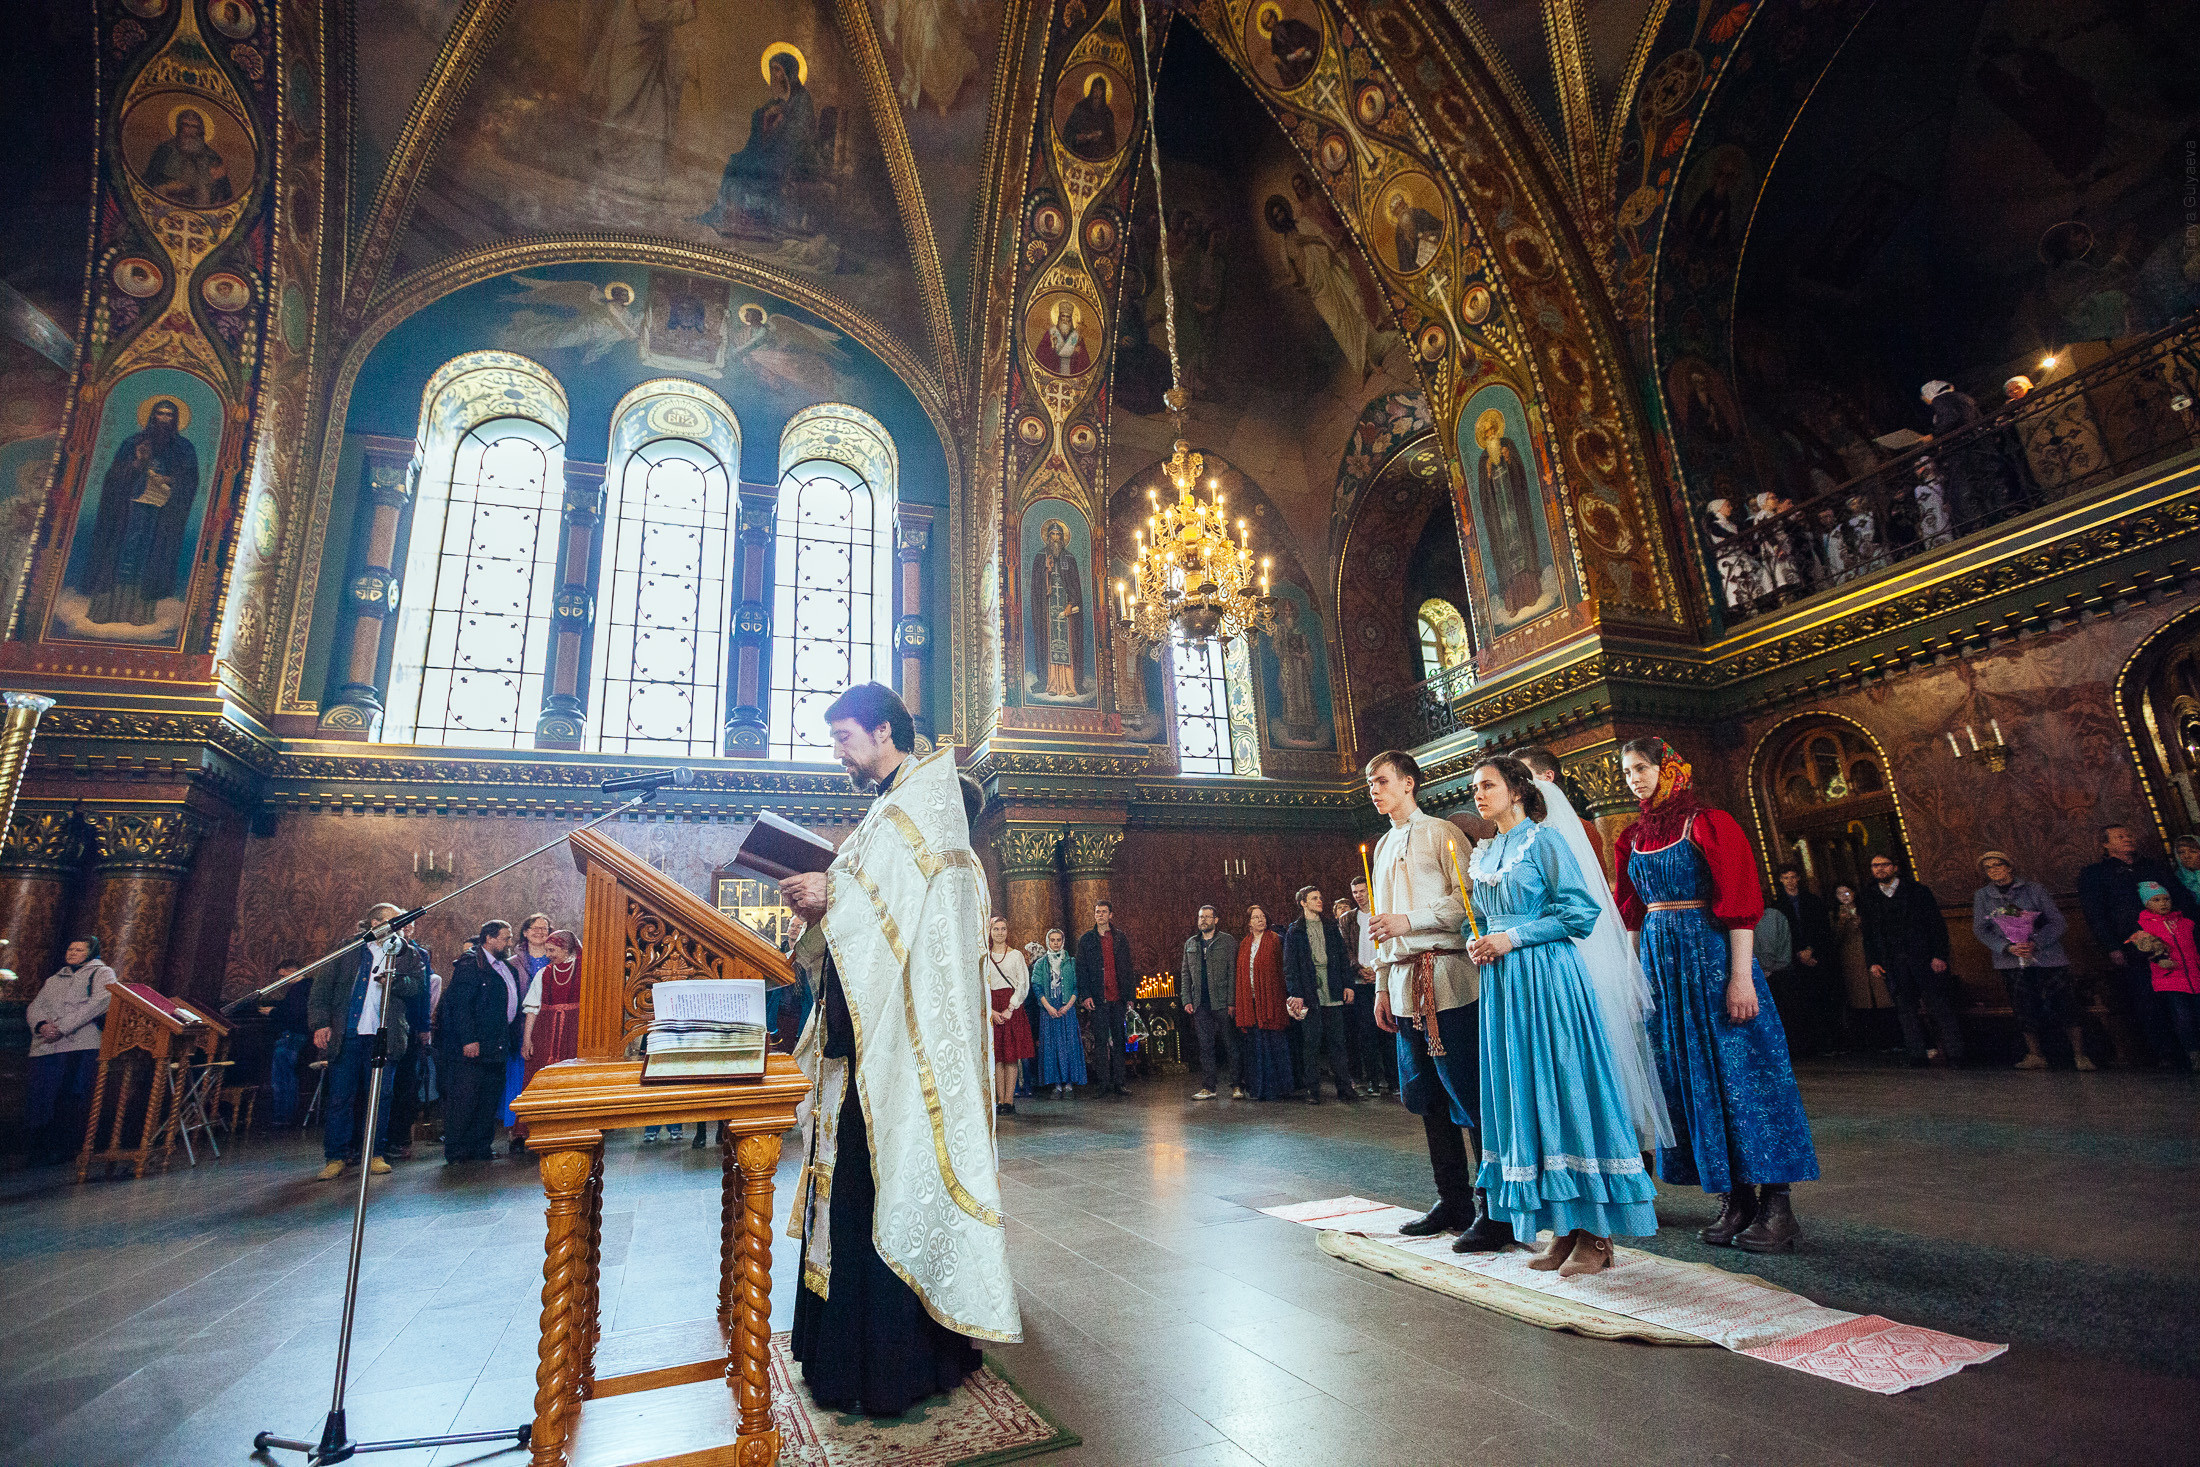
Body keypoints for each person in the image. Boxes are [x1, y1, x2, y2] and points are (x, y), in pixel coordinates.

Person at [780, 683, 1016, 1414]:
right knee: (852, 1187)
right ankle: (845, 1346)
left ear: (885, 731)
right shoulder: (889, 807)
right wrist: (827, 897)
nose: (838, 754)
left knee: (881, 1188)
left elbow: (900, 916)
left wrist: (834, 895)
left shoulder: (926, 803)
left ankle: (890, 1360)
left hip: (906, 1055)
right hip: (864, 1040)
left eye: (845, 737)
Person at [1616, 738, 1818, 1253]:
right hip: (1663, 969)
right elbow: (1632, 915)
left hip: (1713, 960)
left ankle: (1778, 1205)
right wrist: (1633, 983)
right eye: (1627, 772)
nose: (1634, 778)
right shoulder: (1633, 837)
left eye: (1642, 768)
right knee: (1687, 1079)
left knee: (1744, 1076)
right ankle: (1735, 1198)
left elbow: (1742, 901)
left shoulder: (1709, 822)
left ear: (1669, 768)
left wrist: (1742, 977)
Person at [1465, 758, 1661, 1277]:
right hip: (1504, 985)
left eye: (1488, 786)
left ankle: (1596, 1234)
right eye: (1475, 788)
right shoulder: (1485, 852)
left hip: (1548, 979)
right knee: (1527, 1094)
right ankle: (1563, 1228)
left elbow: (1581, 913)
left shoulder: (1545, 842)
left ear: (1516, 791)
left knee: (1565, 1086)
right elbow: (1485, 915)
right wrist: (1479, 938)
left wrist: (1515, 937)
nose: (1478, 795)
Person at [1364, 749, 1510, 1252]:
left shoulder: (1442, 833)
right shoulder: (1382, 846)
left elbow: (1467, 899)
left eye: (1382, 781)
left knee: (1467, 1095)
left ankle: (1496, 1210)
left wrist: (1412, 920)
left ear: (1409, 783)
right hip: (1403, 983)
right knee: (1427, 1098)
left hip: (1447, 978)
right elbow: (1381, 923)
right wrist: (1382, 983)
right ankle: (1452, 1200)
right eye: (1370, 784)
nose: (1375, 790)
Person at [1519, 748, 1673, 1156]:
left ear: (1546, 779)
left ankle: (1625, 1154)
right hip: (1545, 953)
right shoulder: (1518, 836)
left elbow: (1586, 900)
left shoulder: (1570, 829)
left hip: (1584, 948)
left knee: (1602, 1051)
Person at [307, 904, 427, 1180]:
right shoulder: (347, 949)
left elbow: (416, 987)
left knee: (381, 1098)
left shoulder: (407, 952)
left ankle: (375, 1154)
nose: (398, 926)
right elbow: (322, 989)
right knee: (340, 1097)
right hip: (347, 1033)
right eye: (392, 921)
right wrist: (320, 1023)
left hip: (384, 1036)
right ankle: (335, 1156)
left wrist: (395, 981)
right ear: (375, 922)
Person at [2079, 824, 2199, 1068]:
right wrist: (2112, 946)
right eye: (2120, 837)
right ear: (2105, 844)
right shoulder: (2096, 874)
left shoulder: (2152, 866)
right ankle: (2167, 1054)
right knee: (2148, 999)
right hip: (2134, 945)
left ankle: (2192, 1048)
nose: (2127, 839)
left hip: (2174, 940)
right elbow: (2096, 914)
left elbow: (2181, 897)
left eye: (2129, 834)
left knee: (2184, 995)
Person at [1971, 852, 2092, 1071]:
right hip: (2011, 960)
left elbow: (2057, 922)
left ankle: (2079, 1054)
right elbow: (1981, 929)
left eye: (1998, 865)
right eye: (1988, 868)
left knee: (2065, 1003)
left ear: (2009, 867)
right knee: (2023, 1007)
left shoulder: (2034, 889)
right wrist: (2007, 947)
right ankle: (2035, 1054)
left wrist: (2035, 942)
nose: (1994, 870)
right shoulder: (1983, 896)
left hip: (2047, 958)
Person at [1857, 853, 1965, 1067]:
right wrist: (1873, 961)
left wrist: (1939, 955)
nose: (1879, 869)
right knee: (1905, 1009)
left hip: (1923, 956)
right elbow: (1868, 933)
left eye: (1884, 865)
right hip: (1893, 961)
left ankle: (1956, 1054)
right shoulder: (1868, 896)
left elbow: (1936, 925)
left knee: (1939, 1005)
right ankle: (1917, 1054)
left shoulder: (1917, 891)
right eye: (1875, 866)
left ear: (1895, 867)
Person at [25, 938, 115, 1166]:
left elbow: (99, 1002)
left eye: (79, 949)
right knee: (42, 1095)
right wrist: (42, 1026)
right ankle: (38, 1147)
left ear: (91, 952)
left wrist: (63, 1028)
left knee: (69, 1096)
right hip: (47, 1045)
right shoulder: (55, 978)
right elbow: (36, 1006)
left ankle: (61, 1147)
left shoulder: (102, 973)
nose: (72, 952)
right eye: (70, 948)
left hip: (79, 1044)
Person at [439, 920, 523, 1165]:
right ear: (489, 938)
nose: (509, 943)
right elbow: (460, 1006)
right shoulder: (470, 965)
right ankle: (456, 1150)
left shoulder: (504, 966)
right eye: (505, 938)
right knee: (465, 1098)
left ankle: (480, 1147)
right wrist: (469, 1039)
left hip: (498, 1042)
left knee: (488, 1097)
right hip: (475, 1044)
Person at [1283, 885, 1360, 1105]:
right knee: (1311, 1043)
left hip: (1332, 987)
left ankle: (1345, 1088)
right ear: (1303, 903)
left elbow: (1342, 958)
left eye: (1320, 897)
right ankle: (1312, 1090)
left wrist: (1348, 985)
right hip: (1309, 992)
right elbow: (1290, 967)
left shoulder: (1330, 926)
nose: (1319, 901)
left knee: (1337, 1042)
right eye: (1314, 898)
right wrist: (1296, 994)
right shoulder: (1295, 930)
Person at [1768, 865, 1838, 1055]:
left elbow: (1821, 928)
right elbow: (1780, 934)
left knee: (1821, 998)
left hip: (1815, 956)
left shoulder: (1812, 901)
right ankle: (1807, 1045)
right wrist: (1798, 952)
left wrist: (1810, 949)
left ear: (1798, 878)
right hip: (1791, 959)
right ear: (1781, 880)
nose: (1790, 881)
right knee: (1799, 1002)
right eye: (1786, 878)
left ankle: (1828, 1042)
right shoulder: (1777, 905)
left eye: (1793, 877)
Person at [2131, 882, 2200, 1071]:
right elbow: (2142, 951)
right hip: (2170, 979)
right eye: (2156, 900)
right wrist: (2156, 956)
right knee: (2183, 1018)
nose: (2163, 903)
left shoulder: (2186, 923)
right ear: (2146, 904)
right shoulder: (2143, 927)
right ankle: (2193, 1054)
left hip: (2195, 975)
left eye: (2166, 898)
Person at [384, 920, 434, 1158]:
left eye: (408, 927)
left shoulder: (419, 954)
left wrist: (424, 1026)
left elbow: (424, 993)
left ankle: (398, 1138)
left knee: (404, 1086)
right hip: (380, 1026)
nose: (404, 930)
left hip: (410, 1025)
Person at [505, 913, 557, 1145]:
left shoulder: (555, 958)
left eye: (544, 929)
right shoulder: (513, 962)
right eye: (535, 928)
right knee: (519, 1076)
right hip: (520, 1024)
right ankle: (517, 1129)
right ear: (525, 932)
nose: (540, 932)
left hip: (550, 1023)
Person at [1179, 904, 1239, 1100]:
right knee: (1205, 1046)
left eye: (1207, 917)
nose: (1203, 920)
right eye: (1200, 917)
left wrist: (1232, 1001)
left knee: (1231, 1044)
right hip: (1200, 1003)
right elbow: (1185, 974)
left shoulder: (1227, 941)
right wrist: (1186, 999)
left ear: (1216, 920)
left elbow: (1233, 974)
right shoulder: (1191, 943)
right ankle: (1208, 1087)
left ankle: (1237, 1085)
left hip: (1222, 1001)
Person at [1233, 905, 1293, 1100]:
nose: (1260, 920)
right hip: (1250, 1001)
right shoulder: (1244, 944)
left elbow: (1282, 970)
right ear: (1249, 922)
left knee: (1275, 1043)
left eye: (1262, 917)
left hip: (1272, 999)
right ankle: (1259, 1089)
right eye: (1255, 917)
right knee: (1255, 1045)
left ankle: (1280, 1089)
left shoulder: (1276, 940)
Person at [1342, 876, 1394, 1094]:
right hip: (1361, 979)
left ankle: (1393, 1080)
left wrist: (1379, 971)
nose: (1358, 895)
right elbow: (1346, 949)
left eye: (1362, 891)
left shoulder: (1383, 912)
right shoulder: (1348, 919)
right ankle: (1372, 1079)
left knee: (1389, 1029)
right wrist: (1359, 968)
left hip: (1384, 978)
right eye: (1355, 892)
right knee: (1366, 1033)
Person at [1076, 901, 1134, 1097]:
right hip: (1098, 998)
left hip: (1118, 997)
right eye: (1097, 912)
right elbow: (1081, 970)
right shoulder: (1086, 940)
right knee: (1100, 1042)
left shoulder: (1119, 938)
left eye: (1103, 912)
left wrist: (1130, 996)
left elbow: (1127, 968)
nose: (1099, 915)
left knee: (1119, 1041)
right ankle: (1103, 1084)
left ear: (1111, 915)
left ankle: (1120, 1082)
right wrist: (1085, 996)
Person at [983, 916, 1034, 1115]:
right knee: (997, 1057)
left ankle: (1009, 1100)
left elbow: (1023, 984)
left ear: (1007, 931)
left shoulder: (1016, 956)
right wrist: (991, 1011)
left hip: (1012, 1006)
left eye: (1003, 928)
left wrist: (1010, 1008)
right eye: (996, 929)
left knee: (1011, 1057)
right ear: (990, 931)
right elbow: (981, 985)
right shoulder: (985, 957)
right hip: (993, 1006)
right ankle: (999, 1100)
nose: (1000, 932)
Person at [522, 929, 583, 1085]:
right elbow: (532, 1010)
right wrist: (527, 1040)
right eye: (546, 950)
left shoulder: (585, 970)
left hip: (574, 1032)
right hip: (544, 1034)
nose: (547, 955)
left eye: (552, 950)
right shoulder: (544, 973)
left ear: (566, 948)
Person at [1032, 929, 1085, 1097]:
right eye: (1052, 940)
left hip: (1066, 1008)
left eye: (1058, 940)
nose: (1056, 943)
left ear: (1063, 941)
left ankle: (1069, 1083)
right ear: (1048, 942)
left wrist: (1068, 1006)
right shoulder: (1041, 963)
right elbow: (1037, 986)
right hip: (1049, 1009)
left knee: (1068, 1045)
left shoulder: (1071, 962)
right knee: (1052, 1046)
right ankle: (1056, 1084)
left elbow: (1078, 986)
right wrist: (1048, 1007)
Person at [262, 960, 309, 1128]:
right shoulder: (306, 988)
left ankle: (282, 1116)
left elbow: (294, 1013)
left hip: (292, 1036)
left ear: (292, 971)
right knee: (287, 1076)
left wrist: (273, 1011)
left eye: (283, 975)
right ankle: (285, 1115)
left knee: (282, 1077)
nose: (281, 980)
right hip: (299, 1036)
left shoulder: (299, 989)